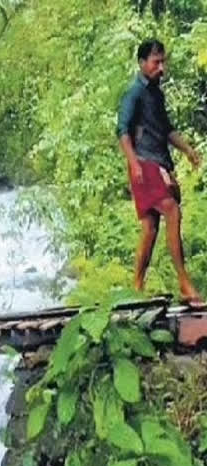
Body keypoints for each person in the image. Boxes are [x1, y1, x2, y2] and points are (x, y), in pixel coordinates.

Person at [117, 39, 203, 305]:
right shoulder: (134, 93)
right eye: (156, 62)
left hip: (158, 162)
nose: (161, 67)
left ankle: (137, 286)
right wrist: (133, 163)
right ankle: (184, 283)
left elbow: (166, 130)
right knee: (172, 211)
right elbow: (122, 131)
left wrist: (188, 150)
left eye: (163, 62)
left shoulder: (157, 94)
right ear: (142, 63)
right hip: (144, 163)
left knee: (151, 228)